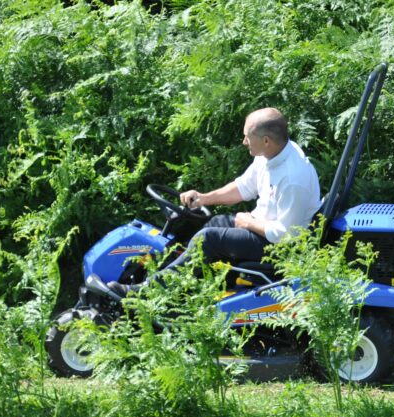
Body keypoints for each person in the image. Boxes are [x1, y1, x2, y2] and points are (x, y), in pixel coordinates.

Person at [108, 107, 321, 297]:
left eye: (248, 137)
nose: (244, 141)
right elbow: (244, 187)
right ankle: (193, 290)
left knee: (208, 239)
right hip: (263, 227)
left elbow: (286, 235)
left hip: (281, 246)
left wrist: (248, 223)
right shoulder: (269, 155)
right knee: (215, 223)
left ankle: (146, 293)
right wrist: (204, 198)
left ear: (266, 140)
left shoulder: (294, 178)